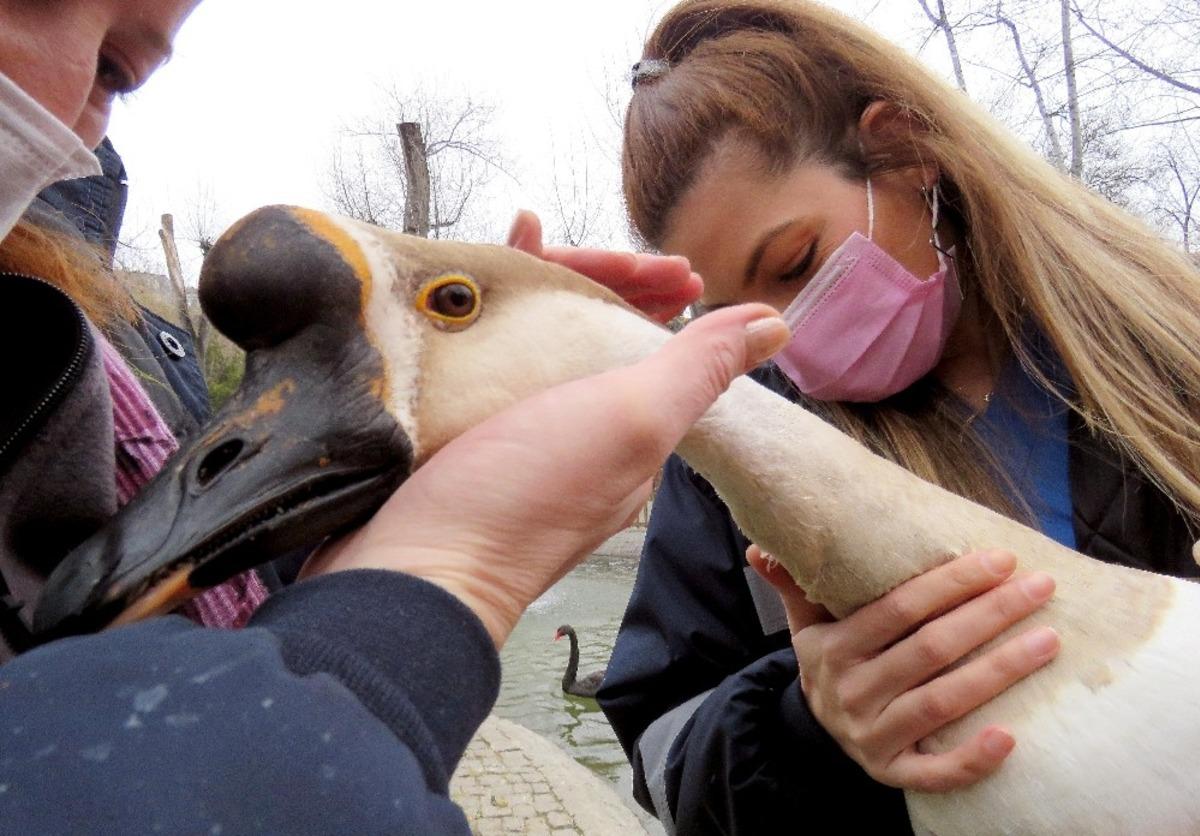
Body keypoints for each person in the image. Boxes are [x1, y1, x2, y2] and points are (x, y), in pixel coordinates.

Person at [0, 1, 792, 831]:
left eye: (118, 71)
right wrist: (432, 584)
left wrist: (368, 502)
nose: (67, 95)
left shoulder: (81, 341)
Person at [597, 1, 1200, 833]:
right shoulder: (732, 451)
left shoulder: (1171, 348)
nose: (778, 333)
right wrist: (804, 726)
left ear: (906, 150)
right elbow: (662, 757)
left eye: (795, 263)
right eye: (731, 311)